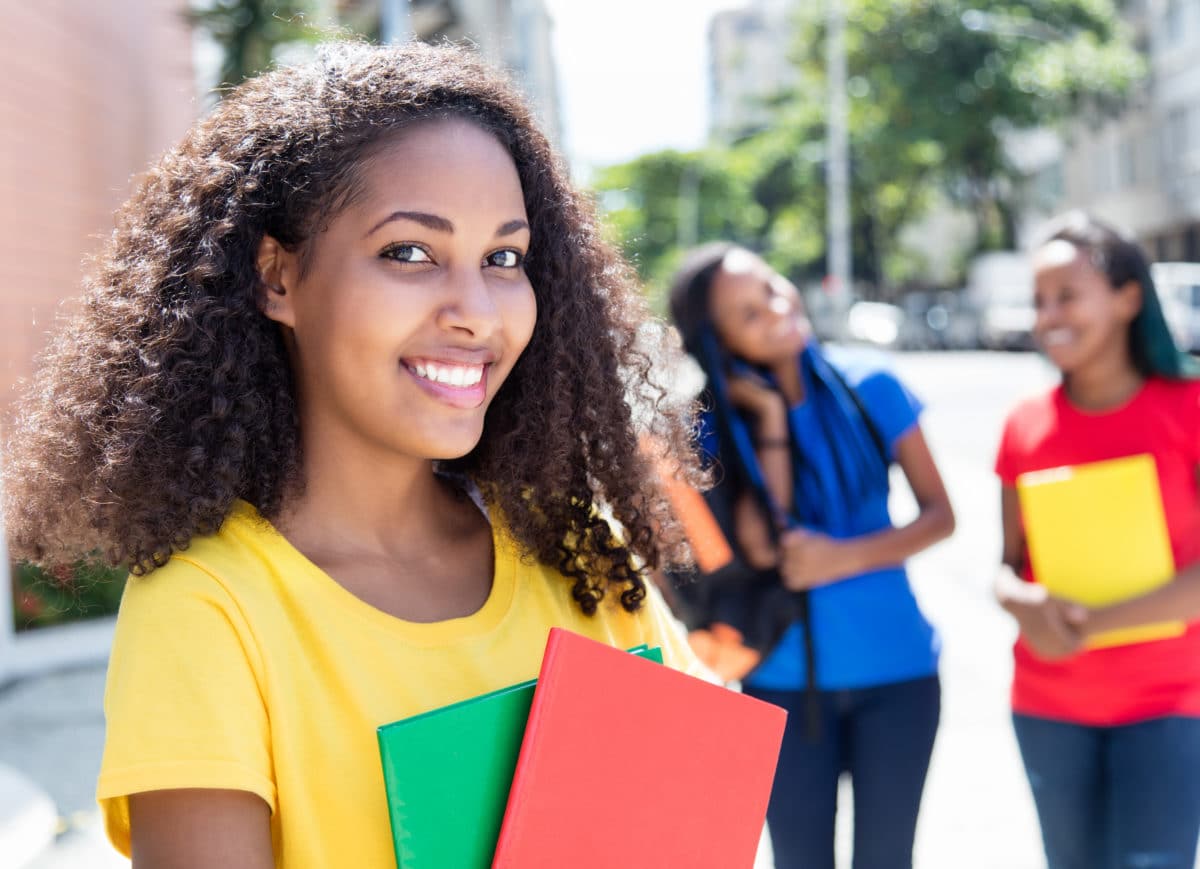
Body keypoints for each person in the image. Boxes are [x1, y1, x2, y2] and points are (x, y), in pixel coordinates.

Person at [1, 42, 710, 868]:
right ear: (277, 276)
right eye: (409, 252)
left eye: (503, 258)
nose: (476, 312)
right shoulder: (209, 610)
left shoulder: (579, 550)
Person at [667, 243, 955, 869]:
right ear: (718, 343)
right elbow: (765, 547)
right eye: (747, 314)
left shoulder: (871, 384)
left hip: (899, 675)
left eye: (771, 287)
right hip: (781, 686)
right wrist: (769, 415)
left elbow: (941, 517)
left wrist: (842, 558)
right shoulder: (715, 428)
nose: (776, 309)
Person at [993, 212, 1200, 869]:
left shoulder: (1189, 407)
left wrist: (1089, 622)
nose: (1048, 315)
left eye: (1067, 295)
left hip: (1170, 702)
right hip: (1049, 701)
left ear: (1127, 298)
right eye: (1039, 300)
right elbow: (1006, 566)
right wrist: (1023, 601)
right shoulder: (1025, 422)